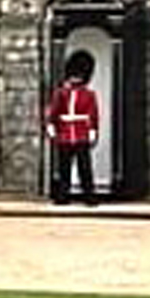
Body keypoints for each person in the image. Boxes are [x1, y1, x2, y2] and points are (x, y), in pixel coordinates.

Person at [46, 54, 104, 204]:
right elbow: (53, 111)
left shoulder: (89, 94)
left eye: (79, 75)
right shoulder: (61, 93)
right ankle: (63, 195)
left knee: (84, 167)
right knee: (64, 167)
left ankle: (89, 195)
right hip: (65, 133)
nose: (76, 79)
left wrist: (92, 131)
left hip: (81, 133)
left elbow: (93, 113)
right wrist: (51, 126)